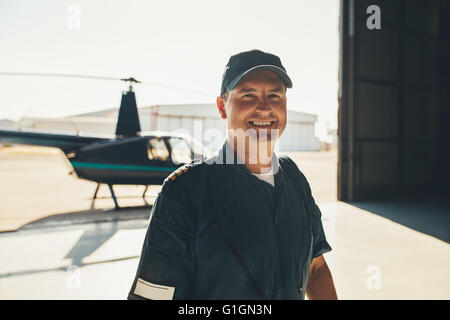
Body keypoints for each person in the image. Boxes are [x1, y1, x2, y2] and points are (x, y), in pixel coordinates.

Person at [128, 49, 337, 300]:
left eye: (275, 95)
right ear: (222, 107)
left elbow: (316, 268)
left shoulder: (294, 178)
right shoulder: (184, 192)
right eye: (248, 95)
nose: (264, 107)